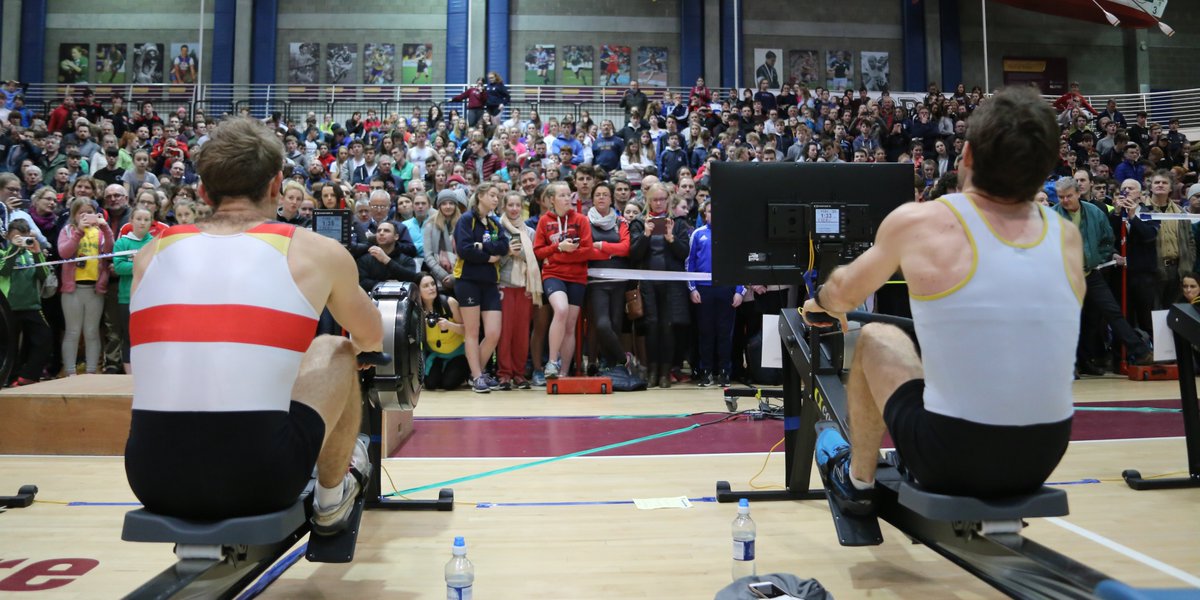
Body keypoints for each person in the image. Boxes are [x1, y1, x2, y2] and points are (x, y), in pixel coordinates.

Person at [802, 87, 1083, 515]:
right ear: (1047, 166)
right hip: (1044, 455)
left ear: (965, 155)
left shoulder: (923, 220)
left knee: (877, 335)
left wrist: (820, 301)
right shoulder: (1067, 236)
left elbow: (843, 294)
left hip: (953, 455)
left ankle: (857, 482)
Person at [125, 117, 384, 534]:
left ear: (205, 191)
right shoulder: (316, 251)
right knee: (334, 348)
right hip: (262, 478)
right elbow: (371, 337)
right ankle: (332, 502)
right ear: (275, 185)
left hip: (149, 478)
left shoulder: (151, 253)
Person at [1051, 177, 1153, 374]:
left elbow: (1108, 239)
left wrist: (1098, 256)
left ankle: (1140, 351)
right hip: (1064, 278)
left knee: (1111, 312)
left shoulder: (1095, 212)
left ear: (1078, 193)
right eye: (1061, 197)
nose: (1064, 200)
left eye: (1068, 196)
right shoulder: (1051, 215)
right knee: (1068, 320)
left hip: (1091, 273)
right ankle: (1070, 365)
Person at [628, 183, 690, 388]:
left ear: (668, 200)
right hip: (648, 284)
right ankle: (652, 371)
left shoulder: (679, 222)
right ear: (648, 200)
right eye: (655, 199)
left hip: (671, 284)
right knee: (652, 327)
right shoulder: (638, 222)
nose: (659, 203)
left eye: (662, 199)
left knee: (668, 328)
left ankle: (665, 372)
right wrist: (646, 235)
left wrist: (671, 239)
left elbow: (683, 254)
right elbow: (634, 253)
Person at [452, 183, 513, 393]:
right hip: (467, 280)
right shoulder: (466, 220)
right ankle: (478, 376)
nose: (497, 199)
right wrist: (488, 256)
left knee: (494, 332)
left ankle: (473, 373)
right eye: (492, 195)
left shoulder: (495, 223)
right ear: (480, 196)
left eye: (498, 196)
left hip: (489, 283)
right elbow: (464, 250)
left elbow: (503, 247)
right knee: (472, 331)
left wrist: (482, 246)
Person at [534, 182, 593, 379]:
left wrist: (563, 253)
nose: (567, 198)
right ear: (552, 199)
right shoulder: (544, 221)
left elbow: (588, 251)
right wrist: (559, 248)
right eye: (562, 195)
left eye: (569, 195)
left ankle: (564, 372)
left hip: (577, 276)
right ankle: (552, 362)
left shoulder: (582, 220)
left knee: (570, 325)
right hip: (553, 275)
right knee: (560, 310)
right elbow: (538, 251)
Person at [687, 201, 744, 386]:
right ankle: (706, 372)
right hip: (704, 289)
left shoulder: (733, 235)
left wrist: (740, 291)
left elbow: (740, 264)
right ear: (705, 214)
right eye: (711, 211)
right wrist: (692, 288)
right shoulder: (698, 234)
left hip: (726, 288)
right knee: (706, 332)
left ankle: (725, 373)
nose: (714, 214)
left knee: (725, 333)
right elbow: (690, 263)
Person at [58, 197, 114, 376]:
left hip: (94, 290)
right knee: (73, 331)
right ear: (74, 215)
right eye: (81, 213)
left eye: (89, 212)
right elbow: (64, 252)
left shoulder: (99, 231)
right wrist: (79, 232)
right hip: (72, 290)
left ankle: (91, 373)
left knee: (91, 332)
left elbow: (108, 253)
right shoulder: (68, 230)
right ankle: (70, 373)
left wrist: (105, 227)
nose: (86, 216)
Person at [585, 182, 634, 376]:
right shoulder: (585, 222)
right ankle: (624, 359)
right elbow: (587, 250)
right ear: (593, 198)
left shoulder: (620, 222)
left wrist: (602, 246)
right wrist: (612, 251)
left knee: (615, 325)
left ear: (611, 198)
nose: (602, 198)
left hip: (619, 281)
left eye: (605, 194)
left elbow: (626, 248)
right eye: (598, 194)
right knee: (602, 325)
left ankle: (612, 366)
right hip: (596, 282)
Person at [497, 191, 542, 390]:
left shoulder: (530, 232)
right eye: (510, 205)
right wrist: (508, 253)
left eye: (517, 205)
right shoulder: (497, 229)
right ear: (504, 207)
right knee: (505, 332)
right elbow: (496, 259)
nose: (514, 209)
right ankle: (504, 374)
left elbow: (533, 258)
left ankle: (519, 373)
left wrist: (520, 252)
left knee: (522, 333)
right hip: (504, 286)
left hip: (525, 286)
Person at [0, 220, 52, 386]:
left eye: (24, 237)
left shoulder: (31, 254)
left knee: (45, 338)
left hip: (32, 306)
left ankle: (29, 374)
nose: (21, 240)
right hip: (9, 308)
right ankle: (9, 378)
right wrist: (14, 248)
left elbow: (45, 276)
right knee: (9, 346)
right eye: (16, 237)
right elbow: (4, 270)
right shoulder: (3, 253)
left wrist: (37, 253)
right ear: (7, 236)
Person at [111, 207, 155, 374]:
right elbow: (119, 267)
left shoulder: (154, 242)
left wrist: (135, 264)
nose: (142, 222)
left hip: (149, 298)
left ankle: (147, 371)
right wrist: (143, 264)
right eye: (139, 219)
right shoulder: (122, 243)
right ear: (131, 221)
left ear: (151, 222)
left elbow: (157, 267)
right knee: (128, 336)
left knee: (148, 336)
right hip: (126, 297)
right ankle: (129, 375)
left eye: (146, 219)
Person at [417, 273, 469, 391]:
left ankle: (464, 371)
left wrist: (450, 325)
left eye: (432, 284)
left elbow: (468, 330)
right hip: (436, 355)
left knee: (448, 384)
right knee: (430, 385)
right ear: (418, 291)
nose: (431, 288)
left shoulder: (449, 302)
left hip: (458, 353)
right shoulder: (417, 311)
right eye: (425, 286)